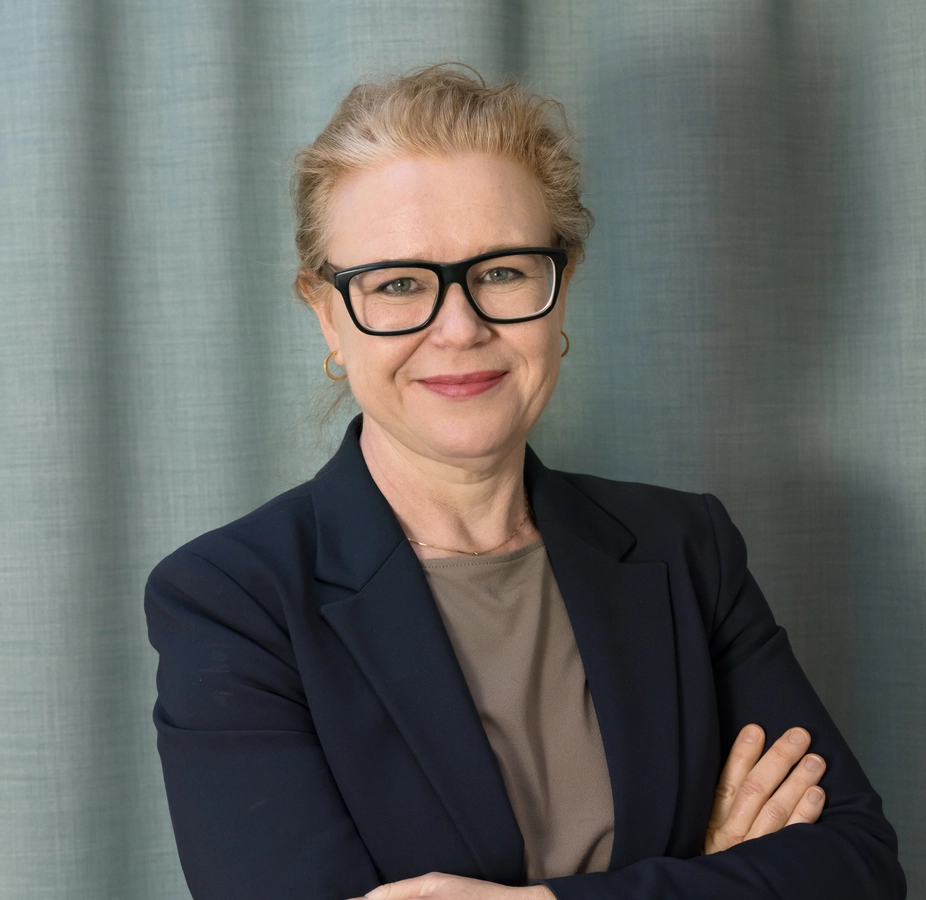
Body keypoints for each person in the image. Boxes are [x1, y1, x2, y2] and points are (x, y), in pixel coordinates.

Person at [145, 64, 905, 900]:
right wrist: (707, 877)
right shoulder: (232, 600)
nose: (459, 328)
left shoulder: (688, 548)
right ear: (326, 314)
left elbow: (858, 868)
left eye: (503, 272)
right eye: (398, 284)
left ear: (561, 286)